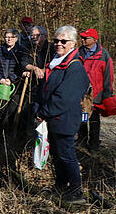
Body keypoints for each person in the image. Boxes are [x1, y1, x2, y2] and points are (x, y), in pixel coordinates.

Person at [38, 26, 90, 204]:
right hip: (54, 119)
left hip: (64, 119)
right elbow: (46, 89)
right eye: (56, 41)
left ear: (73, 44)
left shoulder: (74, 67)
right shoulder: (57, 62)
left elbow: (64, 98)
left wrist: (44, 112)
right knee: (57, 155)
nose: (58, 44)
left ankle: (76, 192)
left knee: (67, 155)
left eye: (63, 41)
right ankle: (60, 186)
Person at [77, 28, 114, 151]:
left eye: (85, 38)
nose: (82, 40)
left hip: (96, 93)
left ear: (94, 40)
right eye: (82, 37)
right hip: (80, 91)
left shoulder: (104, 54)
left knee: (94, 120)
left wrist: (107, 94)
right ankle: (81, 140)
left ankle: (94, 144)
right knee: (81, 116)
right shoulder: (78, 52)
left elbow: (109, 75)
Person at [0, 28, 27, 138]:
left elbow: (20, 68)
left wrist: (11, 79)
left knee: (11, 111)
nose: (9, 39)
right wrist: (0, 79)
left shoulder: (20, 51)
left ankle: (10, 134)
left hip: (15, 86)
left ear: (16, 38)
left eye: (11, 37)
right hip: (1, 86)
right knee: (0, 110)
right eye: (7, 37)